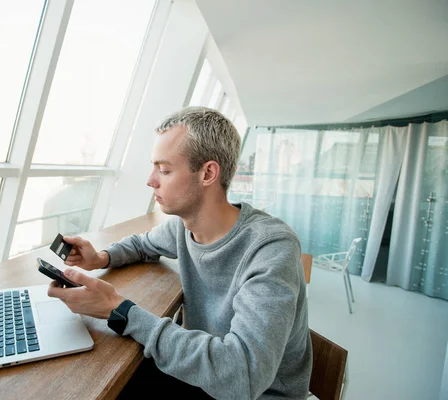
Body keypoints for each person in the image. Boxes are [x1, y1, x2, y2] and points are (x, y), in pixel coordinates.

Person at [47, 106, 312, 399]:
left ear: (208, 173)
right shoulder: (183, 228)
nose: (150, 180)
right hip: (203, 375)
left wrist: (119, 310)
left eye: (164, 170)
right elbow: (142, 244)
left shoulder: (271, 248)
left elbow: (243, 375)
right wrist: (101, 258)